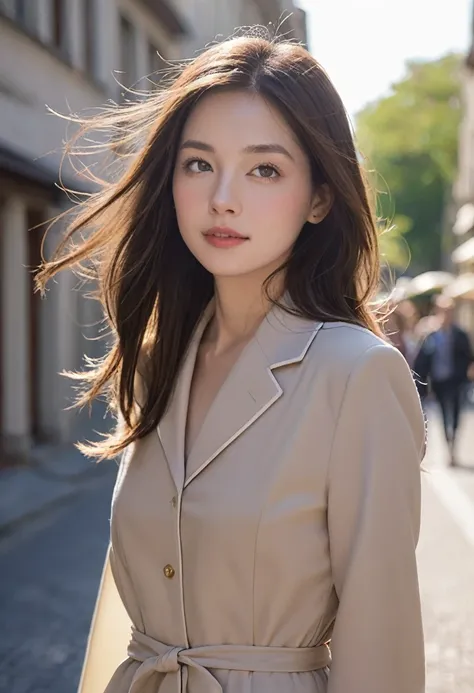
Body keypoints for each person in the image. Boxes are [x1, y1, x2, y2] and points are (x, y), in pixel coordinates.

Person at [37, 32, 426, 693]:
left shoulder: (357, 375)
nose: (223, 197)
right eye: (198, 164)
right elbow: (121, 613)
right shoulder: (161, 358)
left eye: (263, 169)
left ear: (320, 197)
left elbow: (382, 647)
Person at [414, 294, 474, 466]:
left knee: (455, 413)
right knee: (442, 414)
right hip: (438, 381)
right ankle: (447, 442)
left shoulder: (460, 334)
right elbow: (422, 360)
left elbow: (468, 356)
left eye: (449, 311)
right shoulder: (431, 335)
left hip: (456, 381)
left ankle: (452, 445)